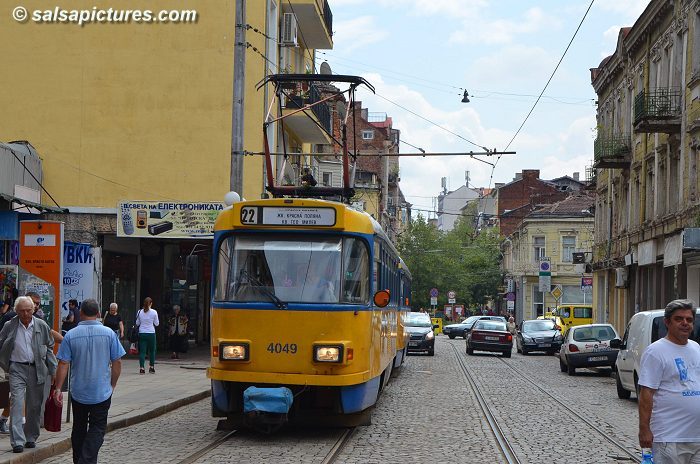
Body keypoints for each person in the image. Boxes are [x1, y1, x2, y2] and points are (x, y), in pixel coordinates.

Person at [53, 298, 126, 464]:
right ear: (99, 314)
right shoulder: (109, 334)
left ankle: (80, 460)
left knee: (78, 427)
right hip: (101, 391)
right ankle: (85, 460)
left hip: (79, 391)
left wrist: (58, 388)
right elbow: (117, 362)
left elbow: (63, 363)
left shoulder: (71, 335)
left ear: (82, 313)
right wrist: (113, 384)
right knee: (97, 428)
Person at [638, 299, 700, 462]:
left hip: (696, 437)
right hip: (669, 437)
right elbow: (646, 393)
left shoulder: (696, 348)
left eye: (689, 319)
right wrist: (644, 429)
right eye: (679, 319)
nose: (685, 323)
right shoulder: (655, 351)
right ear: (667, 322)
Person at [0, 296, 57, 453]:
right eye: (22, 311)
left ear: (34, 309)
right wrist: (4, 362)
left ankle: (30, 437)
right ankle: (17, 441)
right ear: (16, 311)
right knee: (17, 403)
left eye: (28, 310)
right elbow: (1, 342)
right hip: (16, 368)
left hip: (37, 368)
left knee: (34, 405)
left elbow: (50, 346)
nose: (25, 314)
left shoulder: (41, 325)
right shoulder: (9, 325)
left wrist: (53, 370)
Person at [136, 297, 159, 374]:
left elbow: (137, 323)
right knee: (152, 351)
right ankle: (151, 367)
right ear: (151, 303)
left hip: (142, 333)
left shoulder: (140, 312)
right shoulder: (154, 312)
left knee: (142, 351)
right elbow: (157, 323)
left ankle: (142, 368)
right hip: (151, 333)